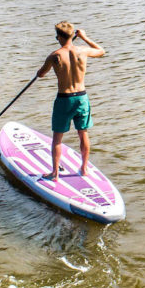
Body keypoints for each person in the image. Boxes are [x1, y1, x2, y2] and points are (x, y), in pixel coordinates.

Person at [35, 21, 105, 182]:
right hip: (82, 98)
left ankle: (55, 173)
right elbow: (101, 51)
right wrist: (85, 37)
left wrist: (40, 71)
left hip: (64, 99)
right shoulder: (83, 51)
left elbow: (41, 74)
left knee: (57, 138)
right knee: (83, 134)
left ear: (59, 37)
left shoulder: (55, 56)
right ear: (73, 35)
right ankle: (84, 168)